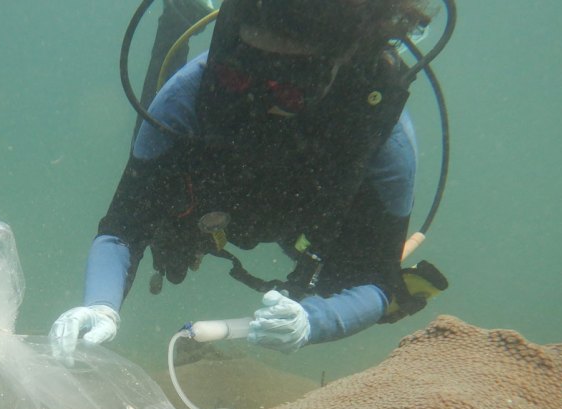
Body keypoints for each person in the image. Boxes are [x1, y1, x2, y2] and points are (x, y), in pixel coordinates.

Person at [51, 0, 438, 362]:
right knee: (163, 216)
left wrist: (314, 321)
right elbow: (124, 228)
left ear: (339, 66)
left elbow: (374, 281)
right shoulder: (189, 93)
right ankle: (178, 17)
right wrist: (99, 304)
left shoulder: (378, 134)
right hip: (207, 193)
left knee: (329, 275)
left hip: (304, 218)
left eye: (289, 84)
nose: (260, 99)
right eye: (241, 72)